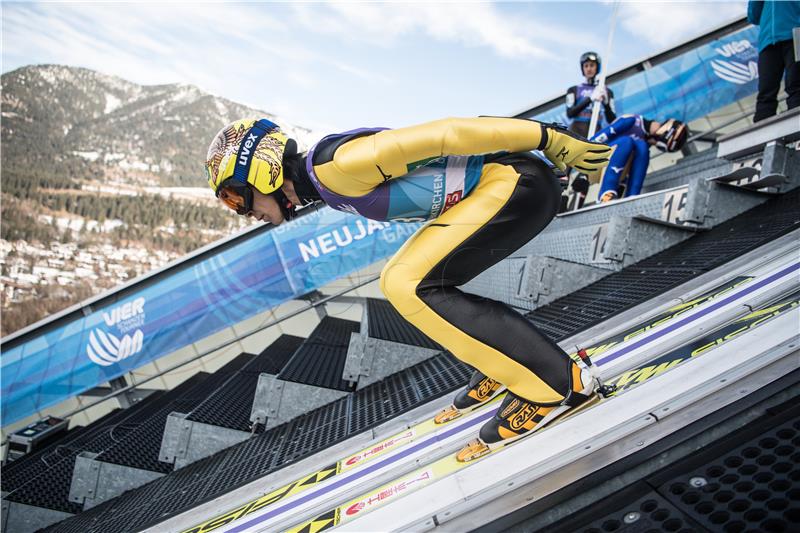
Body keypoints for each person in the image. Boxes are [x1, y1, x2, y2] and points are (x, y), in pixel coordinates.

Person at [205, 117, 612, 456]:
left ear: (260, 169)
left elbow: (450, 134)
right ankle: (503, 365)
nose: (242, 211)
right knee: (404, 279)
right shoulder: (324, 180)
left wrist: (550, 136)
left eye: (234, 197)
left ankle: (555, 385)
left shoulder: (337, 165)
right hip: (507, 185)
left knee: (408, 283)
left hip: (514, 184)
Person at [592, 114, 688, 202]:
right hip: (598, 160)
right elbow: (599, 137)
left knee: (642, 148)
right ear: (664, 133)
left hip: (616, 171)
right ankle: (606, 193)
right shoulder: (633, 121)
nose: (653, 143)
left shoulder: (644, 142)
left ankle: (632, 198)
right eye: (657, 142)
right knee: (627, 142)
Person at [747, 1, 800, 122]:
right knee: (766, 93)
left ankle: (797, 131)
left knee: (796, 85)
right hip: (768, 42)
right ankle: (761, 137)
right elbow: (753, 17)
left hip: (797, 34)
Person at [566, 51, 617, 138]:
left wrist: (606, 104)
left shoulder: (607, 91)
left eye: (592, 65)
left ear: (597, 67)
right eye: (586, 66)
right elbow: (570, 113)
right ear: (583, 69)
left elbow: (612, 120)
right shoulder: (573, 90)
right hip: (576, 132)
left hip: (597, 133)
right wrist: (590, 99)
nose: (589, 69)